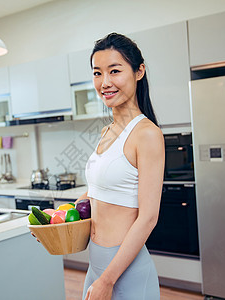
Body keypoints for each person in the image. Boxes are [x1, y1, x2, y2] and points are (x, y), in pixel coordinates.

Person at [77, 33, 165, 300]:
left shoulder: (147, 134)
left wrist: (107, 281)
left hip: (124, 272)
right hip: (97, 265)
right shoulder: (107, 131)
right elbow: (94, 195)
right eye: (97, 73)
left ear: (139, 72)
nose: (105, 83)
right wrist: (56, 219)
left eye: (114, 71)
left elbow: (148, 218)